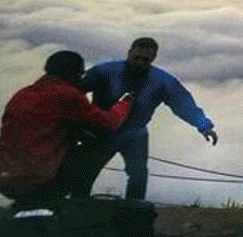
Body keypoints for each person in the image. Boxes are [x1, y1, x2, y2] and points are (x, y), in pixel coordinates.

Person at [80, 37, 218, 200]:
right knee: (85, 173)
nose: (139, 63)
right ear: (129, 53)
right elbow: (75, 93)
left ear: (153, 58)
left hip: (135, 134)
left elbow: (183, 104)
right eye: (136, 58)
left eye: (145, 60)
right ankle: (76, 208)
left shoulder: (161, 81)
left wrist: (204, 125)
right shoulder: (105, 71)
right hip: (102, 131)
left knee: (138, 175)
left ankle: (134, 214)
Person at [0, 51, 133, 211]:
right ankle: (77, 202)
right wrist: (125, 102)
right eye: (80, 74)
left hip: (6, 179)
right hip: (36, 180)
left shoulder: (22, 94)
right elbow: (109, 123)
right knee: (106, 143)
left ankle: (30, 202)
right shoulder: (66, 94)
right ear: (73, 74)